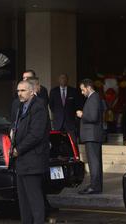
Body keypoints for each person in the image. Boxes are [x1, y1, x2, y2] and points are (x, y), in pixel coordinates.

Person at [12, 80, 49, 224]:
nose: (19, 93)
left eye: (23, 90)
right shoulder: (21, 107)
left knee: (34, 199)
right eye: (18, 91)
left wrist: (18, 150)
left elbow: (36, 134)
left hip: (33, 159)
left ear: (32, 91)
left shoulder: (38, 106)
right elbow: (17, 126)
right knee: (24, 200)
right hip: (22, 160)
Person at [77, 79, 104, 194]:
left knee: (94, 162)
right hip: (92, 135)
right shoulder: (93, 98)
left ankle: (95, 186)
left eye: (83, 90)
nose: (82, 93)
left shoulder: (93, 98)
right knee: (95, 162)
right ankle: (96, 185)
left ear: (88, 87)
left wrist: (82, 114)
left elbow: (93, 117)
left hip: (92, 135)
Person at [49, 74, 82, 141]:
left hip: (70, 122)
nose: (63, 79)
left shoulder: (73, 91)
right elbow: (51, 105)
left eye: (64, 78)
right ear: (58, 80)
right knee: (57, 142)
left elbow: (77, 104)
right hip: (58, 122)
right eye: (61, 78)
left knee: (73, 142)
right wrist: (58, 114)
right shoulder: (53, 91)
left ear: (67, 80)